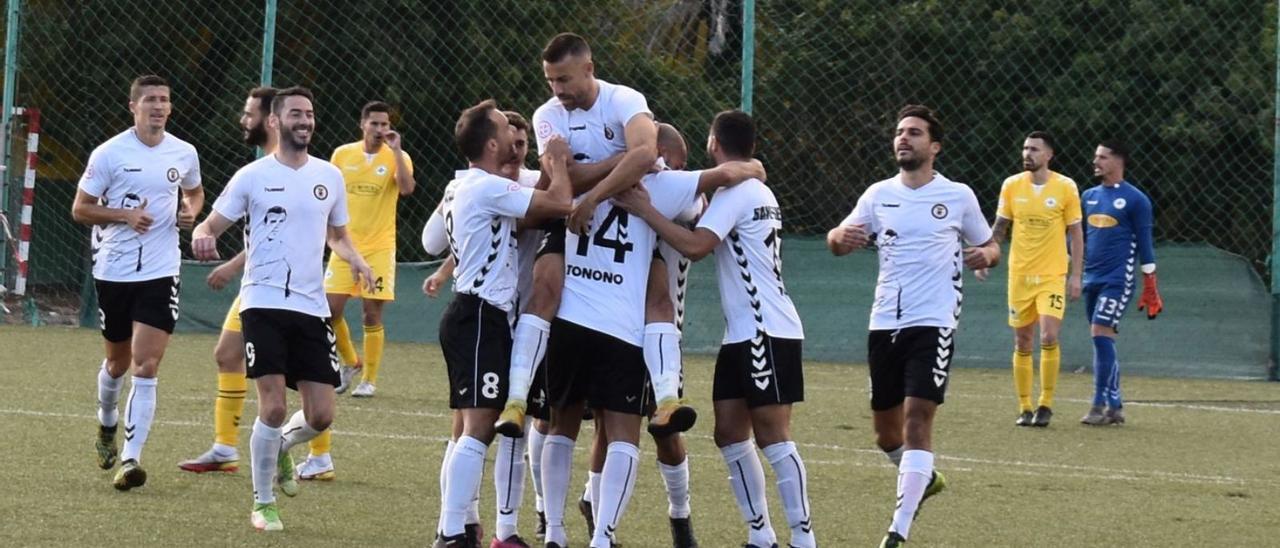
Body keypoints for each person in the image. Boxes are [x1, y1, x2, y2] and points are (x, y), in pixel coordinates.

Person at [614, 111, 815, 548]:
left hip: (767, 330)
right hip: (742, 334)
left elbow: (697, 246)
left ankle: (804, 538)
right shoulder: (744, 187)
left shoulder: (741, 192)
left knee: (773, 436)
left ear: (713, 142)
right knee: (728, 432)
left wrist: (645, 209)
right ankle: (760, 535)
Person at [496, 32, 695, 447]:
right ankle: (516, 397)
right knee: (546, 288)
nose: (558, 90)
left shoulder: (625, 99)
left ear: (589, 69)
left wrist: (594, 194)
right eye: (551, 80)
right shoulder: (546, 114)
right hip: (570, 223)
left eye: (564, 80)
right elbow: (561, 182)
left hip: (625, 220)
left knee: (658, 297)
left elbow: (647, 152)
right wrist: (620, 163)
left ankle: (667, 398)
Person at [191, 86, 373, 531]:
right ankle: (263, 502)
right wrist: (203, 234)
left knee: (321, 415)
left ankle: (282, 450)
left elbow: (337, 234)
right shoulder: (251, 176)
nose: (305, 121)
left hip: (311, 308)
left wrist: (355, 256)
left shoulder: (329, 176)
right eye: (296, 114)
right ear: (275, 122)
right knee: (271, 406)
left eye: (309, 114)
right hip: (263, 302)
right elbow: (212, 223)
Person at [826, 105, 1000, 548]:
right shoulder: (877, 194)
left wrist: (987, 256)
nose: (904, 139)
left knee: (917, 418)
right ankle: (925, 480)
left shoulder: (957, 195)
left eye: (915, 133)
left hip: (935, 321)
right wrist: (838, 239)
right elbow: (838, 239)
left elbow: (988, 245)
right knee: (886, 435)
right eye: (900, 132)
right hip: (884, 322)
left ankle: (896, 532)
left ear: (934, 146)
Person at [433, 99, 573, 548]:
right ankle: (452, 531)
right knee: (477, 428)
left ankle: (461, 529)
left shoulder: (465, 185)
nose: (514, 137)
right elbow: (560, 201)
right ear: (491, 144)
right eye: (504, 130)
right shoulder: (486, 187)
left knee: (477, 428)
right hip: (479, 315)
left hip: (475, 315)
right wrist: (557, 160)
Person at [72, 74, 204, 490]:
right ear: (134, 107)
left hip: (162, 270)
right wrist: (125, 216)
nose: (159, 107)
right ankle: (106, 423)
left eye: (164, 100)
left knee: (147, 365)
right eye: (150, 100)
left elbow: (196, 192)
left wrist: (190, 210)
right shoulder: (109, 154)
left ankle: (130, 460)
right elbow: (81, 209)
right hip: (113, 269)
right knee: (118, 363)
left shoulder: (183, 152)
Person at [179, 86, 277, 474]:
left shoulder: (286, 169)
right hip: (255, 285)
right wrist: (207, 234)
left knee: (301, 378)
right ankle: (224, 448)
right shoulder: (258, 170)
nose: (243, 119)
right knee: (227, 354)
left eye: (249, 113)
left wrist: (232, 265)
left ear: (270, 119)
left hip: (285, 290)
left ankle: (318, 453)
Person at [985, 131, 1083, 427]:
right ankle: (1025, 406)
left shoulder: (1066, 187)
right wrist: (987, 254)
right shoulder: (1012, 185)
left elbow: (1076, 232)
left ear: (1048, 155)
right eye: (1025, 148)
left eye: (1034, 150)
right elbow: (1001, 225)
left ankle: (1046, 403)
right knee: (1022, 340)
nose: (1027, 154)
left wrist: (1076, 274)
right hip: (1020, 275)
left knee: (1049, 335)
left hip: (1052, 274)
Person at [328, 100, 417, 399]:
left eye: (385, 124)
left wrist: (396, 152)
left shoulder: (398, 156)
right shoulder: (342, 154)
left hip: (379, 247)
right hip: (344, 244)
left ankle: (369, 379)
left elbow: (406, 188)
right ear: (362, 124)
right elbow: (329, 195)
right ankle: (351, 362)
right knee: (328, 310)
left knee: (371, 314)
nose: (380, 129)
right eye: (375, 123)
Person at [1079, 140, 1162, 426]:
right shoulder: (1088, 195)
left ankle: (1099, 403)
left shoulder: (1136, 200)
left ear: (1118, 161)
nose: (1096, 161)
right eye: (1095, 156)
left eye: (1102, 157)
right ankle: (1115, 405)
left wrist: (1150, 280)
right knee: (1101, 338)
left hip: (1117, 280)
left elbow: (1145, 242)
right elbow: (1080, 239)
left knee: (1101, 332)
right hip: (1091, 278)